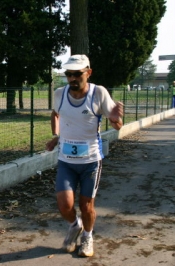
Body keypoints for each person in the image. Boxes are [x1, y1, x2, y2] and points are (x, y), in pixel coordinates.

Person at [45, 54, 123, 257]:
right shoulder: (60, 94)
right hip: (66, 161)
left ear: (88, 73)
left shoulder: (98, 93)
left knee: (86, 206)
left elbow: (116, 124)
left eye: (77, 74)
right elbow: (55, 114)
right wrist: (56, 136)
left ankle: (87, 237)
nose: (72, 78)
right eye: (68, 74)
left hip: (90, 162)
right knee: (64, 205)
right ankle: (74, 225)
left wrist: (116, 120)